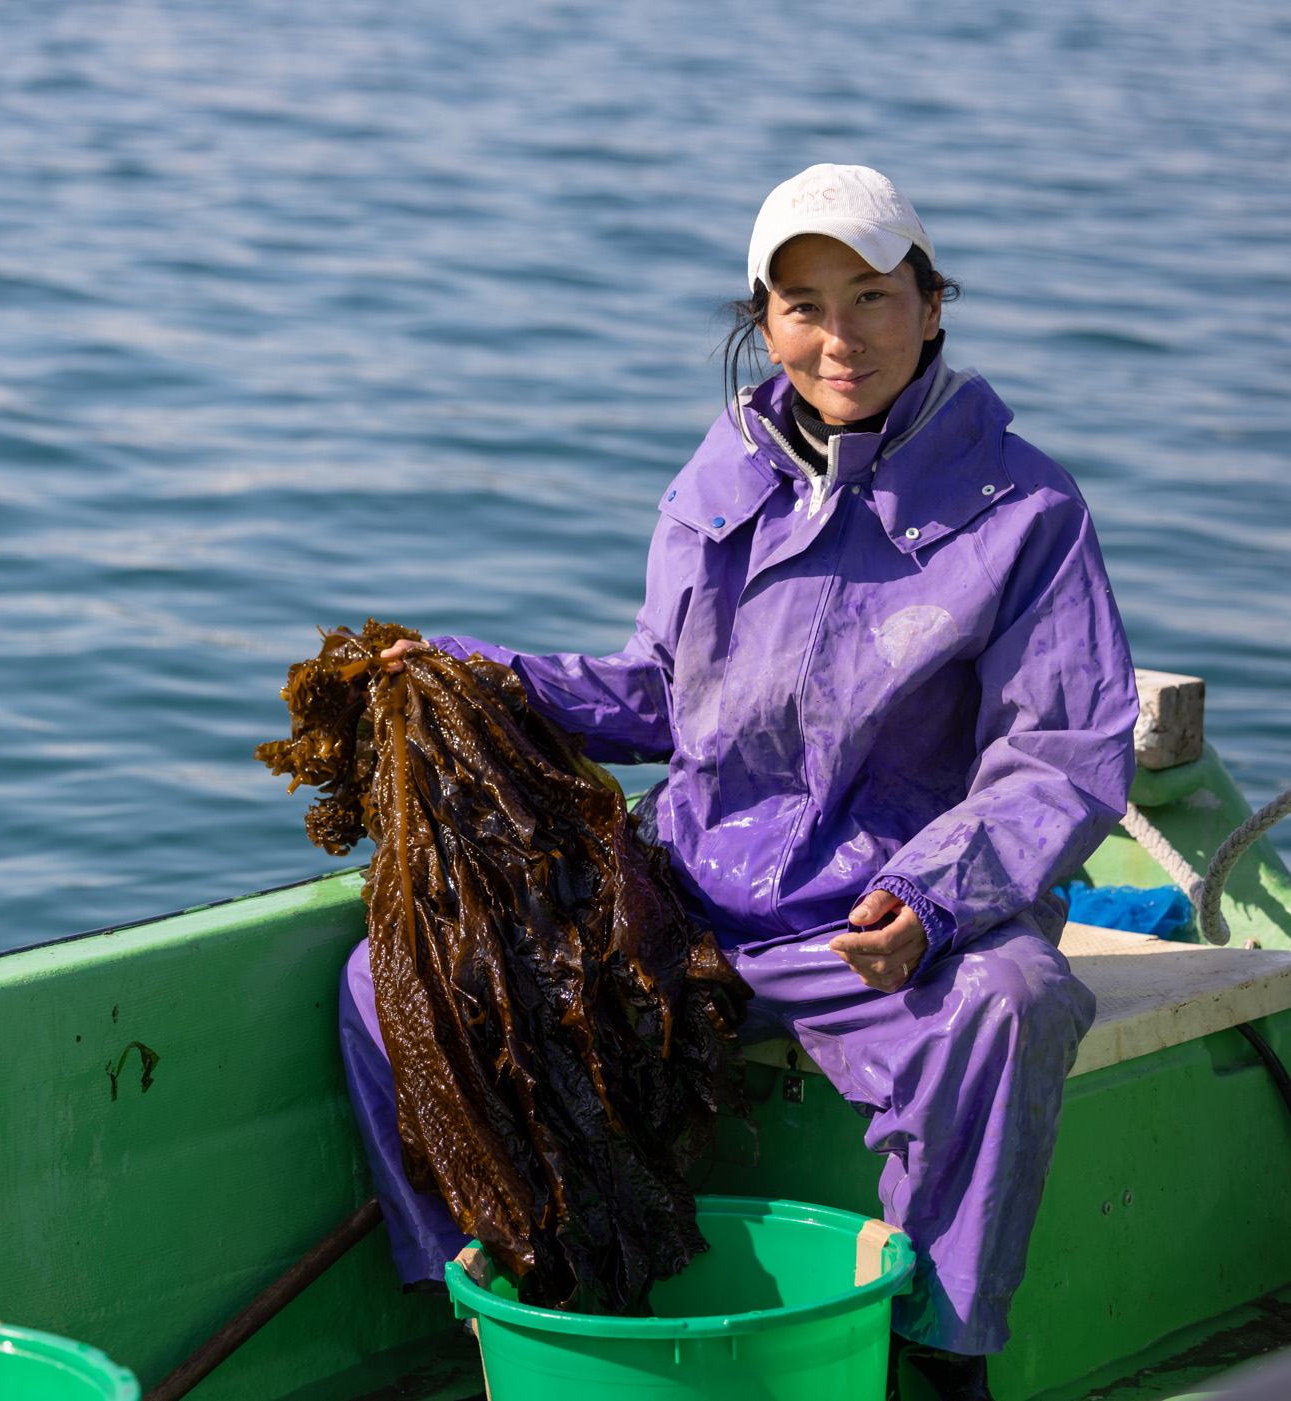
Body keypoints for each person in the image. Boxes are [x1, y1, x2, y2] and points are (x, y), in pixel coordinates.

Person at [341, 164, 1137, 1401]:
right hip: (694, 902)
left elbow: (1066, 752)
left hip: (887, 927)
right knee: (391, 975)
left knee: (1015, 1000)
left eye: (873, 296)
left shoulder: (1026, 511)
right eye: (804, 303)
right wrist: (474, 673)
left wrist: (933, 899)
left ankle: (936, 1353)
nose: (841, 336)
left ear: (932, 306)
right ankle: (489, 1304)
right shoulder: (727, 472)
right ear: (764, 321)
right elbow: (665, 695)